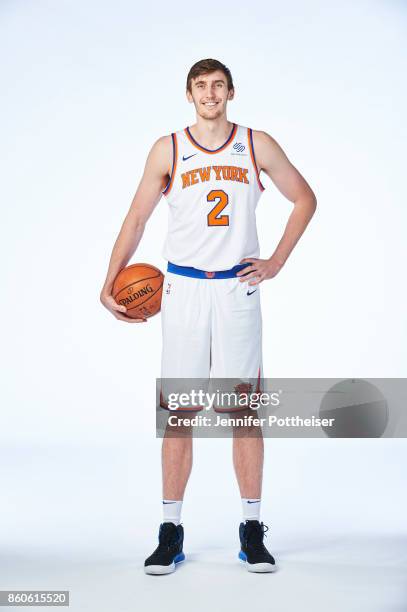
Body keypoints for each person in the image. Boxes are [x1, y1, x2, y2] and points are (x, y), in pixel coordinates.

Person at [100, 58, 316, 575]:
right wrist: (110, 280)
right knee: (179, 414)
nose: (210, 93)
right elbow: (136, 218)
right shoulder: (168, 148)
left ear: (232, 91)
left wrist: (277, 260)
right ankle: (171, 531)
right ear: (189, 94)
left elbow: (304, 198)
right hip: (183, 289)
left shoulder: (255, 143)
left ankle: (251, 529)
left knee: (243, 413)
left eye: (218, 85)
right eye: (201, 86)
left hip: (237, 289)